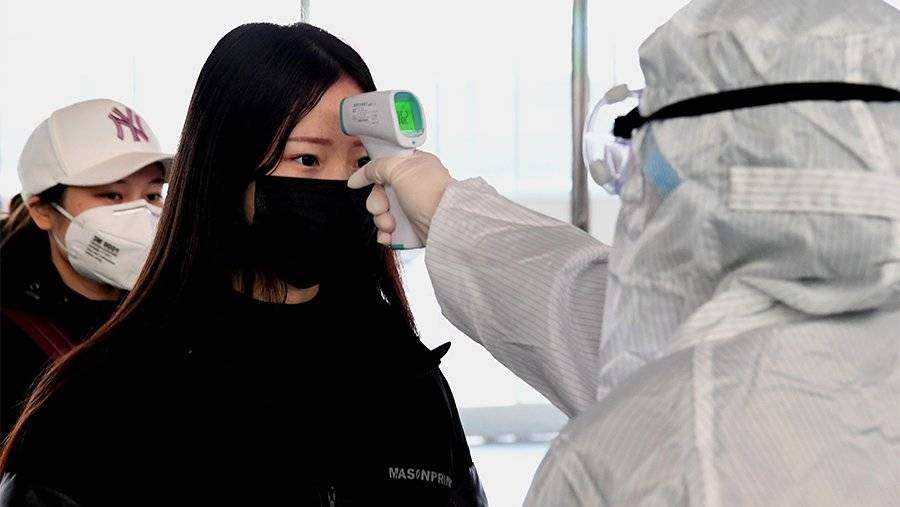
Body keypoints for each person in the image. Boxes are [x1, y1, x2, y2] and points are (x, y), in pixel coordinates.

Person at [348, 0, 900, 503]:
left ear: (697, 147)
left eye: (644, 135)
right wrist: (447, 210)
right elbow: (618, 333)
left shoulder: (627, 464)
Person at [0, 23, 485, 506]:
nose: (343, 185)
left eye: (361, 163)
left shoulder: (404, 374)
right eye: (307, 160)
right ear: (224, 171)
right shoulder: (105, 397)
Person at [1, 99, 170, 439]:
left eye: (152, 196)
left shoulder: (178, 307)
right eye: (111, 196)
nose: (140, 215)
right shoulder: (11, 334)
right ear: (42, 210)